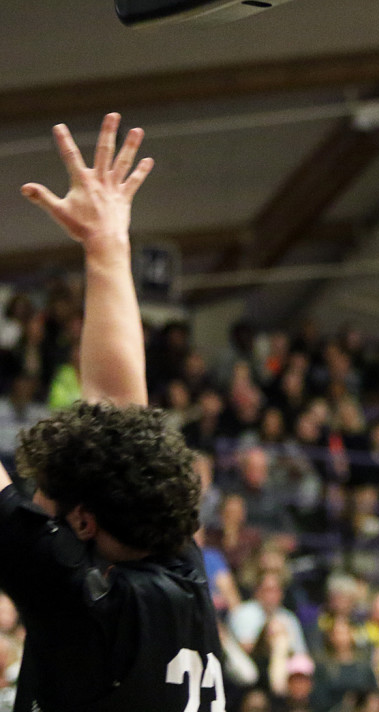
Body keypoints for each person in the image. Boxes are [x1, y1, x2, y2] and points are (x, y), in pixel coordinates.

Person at [0, 115, 223, 710]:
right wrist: (104, 244)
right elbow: (120, 410)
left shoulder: (84, 599)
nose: (33, 503)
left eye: (42, 498)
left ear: (82, 523)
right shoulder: (175, 560)